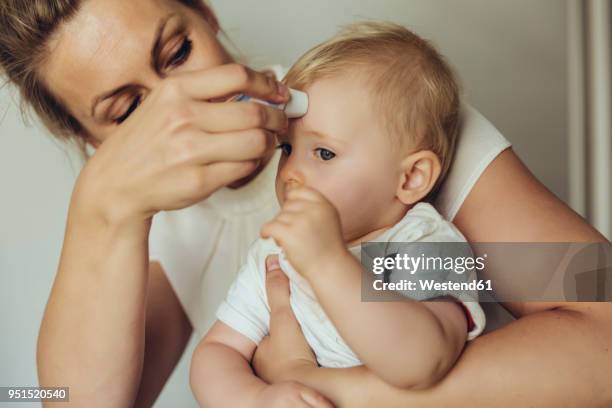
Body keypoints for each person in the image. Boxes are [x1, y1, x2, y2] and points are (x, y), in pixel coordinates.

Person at [0, 0, 608, 407]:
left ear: (205, 14)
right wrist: (100, 209)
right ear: (90, 142)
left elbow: (601, 327)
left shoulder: (377, 120)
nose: (178, 113)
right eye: (128, 112)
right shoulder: (161, 235)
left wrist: (317, 385)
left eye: (179, 53)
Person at [191, 22, 489, 407]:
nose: (292, 172)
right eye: (287, 148)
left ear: (411, 177)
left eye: (325, 153)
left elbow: (422, 361)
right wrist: (255, 399)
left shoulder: (424, 242)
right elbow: (217, 351)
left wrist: (327, 262)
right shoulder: (274, 251)